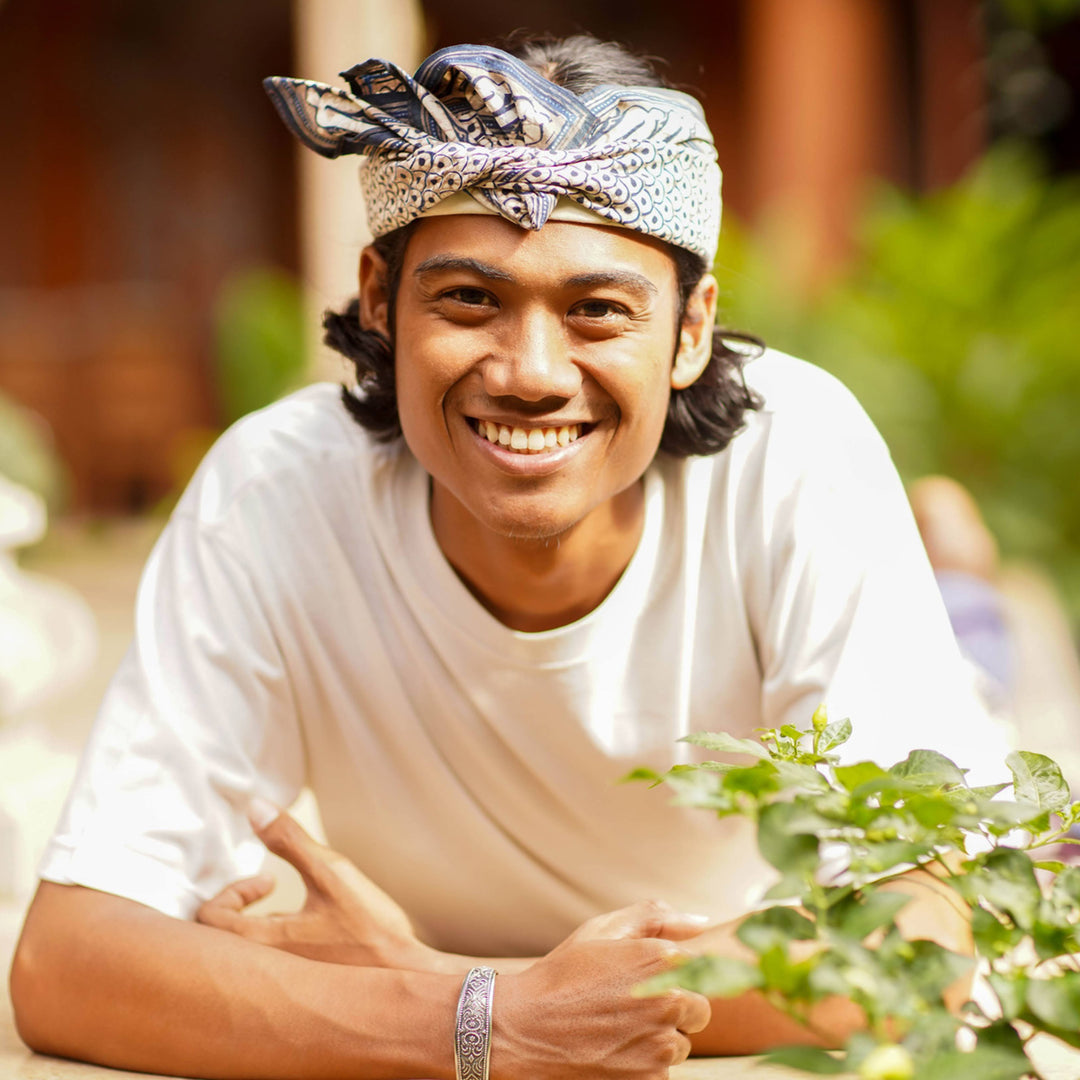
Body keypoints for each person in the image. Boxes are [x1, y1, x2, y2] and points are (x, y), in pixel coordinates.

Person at [11, 33, 999, 1080]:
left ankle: (955, 574)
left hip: (896, 678)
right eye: (471, 299)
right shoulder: (272, 491)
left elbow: (917, 949)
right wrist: (495, 1017)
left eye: (597, 311)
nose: (531, 373)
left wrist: (433, 984)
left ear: (691, 330)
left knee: (978, 669)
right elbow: (66, 961)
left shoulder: (797, 456)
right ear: (382, 302)